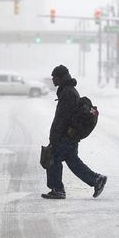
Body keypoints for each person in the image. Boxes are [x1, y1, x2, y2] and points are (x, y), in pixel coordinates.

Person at [42, 65, 107, 199]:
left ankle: (58, 189)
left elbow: (62, 118)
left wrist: (54, 137)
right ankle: (96, 180)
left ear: (60, 78)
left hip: (66, 135)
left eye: (54, 77)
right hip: (70, 134)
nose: (52, 80)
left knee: (53, 158)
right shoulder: (68, 91)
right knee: (73, 161)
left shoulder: (67, 93)